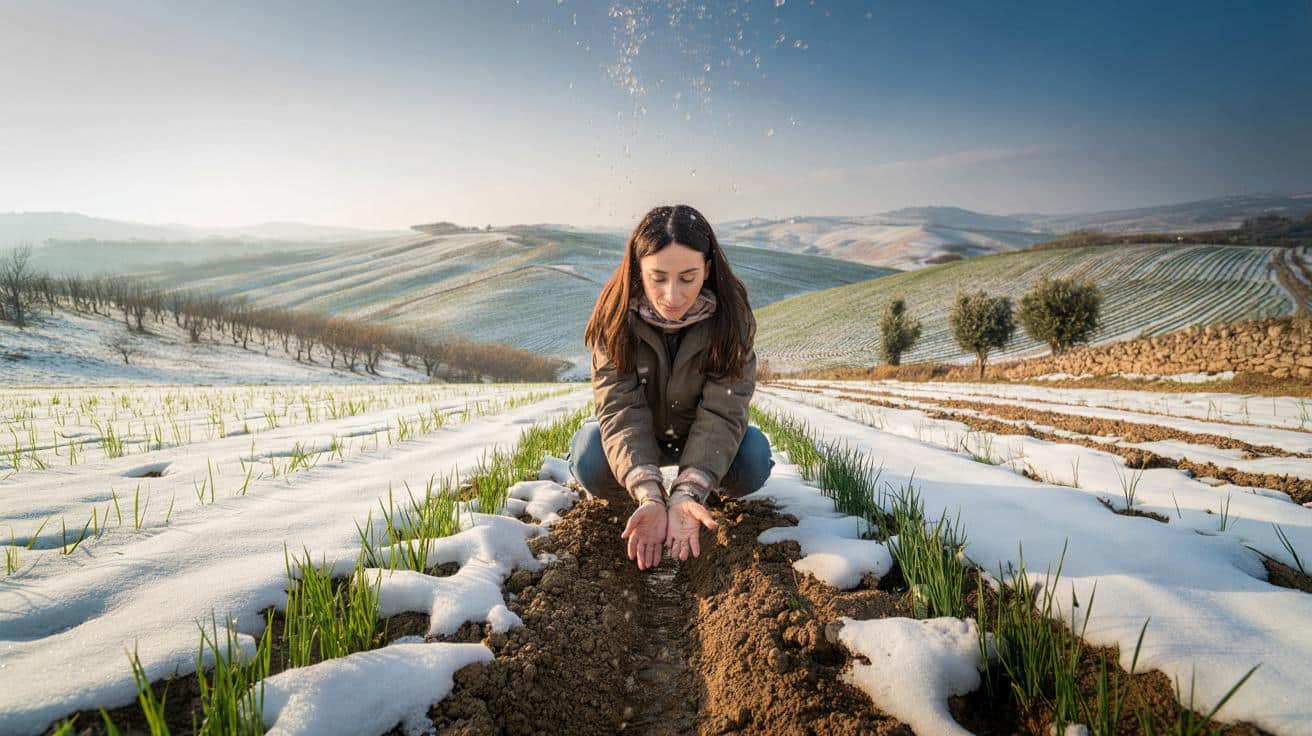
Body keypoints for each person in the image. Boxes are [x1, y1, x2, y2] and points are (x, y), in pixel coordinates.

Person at [569, 204, 774, 571]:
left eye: (688, 278)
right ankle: (637, 492)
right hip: (640, 434)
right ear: (637, 269)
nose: (673, 296)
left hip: (696, 433)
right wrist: (650, 494)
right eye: (658, 277)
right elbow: (620, 409)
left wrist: (689, 490)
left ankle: (700, 492)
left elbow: (723, 412)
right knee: (590, 458)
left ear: (708, 270)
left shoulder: (732, 323)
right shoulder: (613, 321)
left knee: (753, 459)